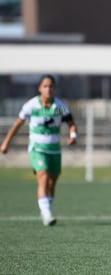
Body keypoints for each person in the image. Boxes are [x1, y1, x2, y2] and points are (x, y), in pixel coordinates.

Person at [0, 74, 78, 226]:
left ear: (54, 88)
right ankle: (47, 213)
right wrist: (6, 143)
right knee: (43, 175)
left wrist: (73, 135)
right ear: (39, 88)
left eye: (51, 86)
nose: (48, 89)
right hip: (37, 148)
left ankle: (47, 207)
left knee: (52, 182)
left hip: (54, 149)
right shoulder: (31, 105)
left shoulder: (60, 106)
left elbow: (71, 123)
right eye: (45, 86)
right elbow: (17, 124)